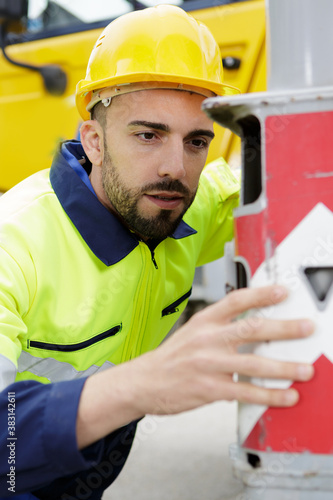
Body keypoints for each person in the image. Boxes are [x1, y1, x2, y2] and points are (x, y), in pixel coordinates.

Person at [0, 5, 314, 499]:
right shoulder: (14, 245)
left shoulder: (184, 208)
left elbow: (293, 171)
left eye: (197, 141)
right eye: (148, 134)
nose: (176, 168)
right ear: (95, 140)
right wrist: (144, 383)